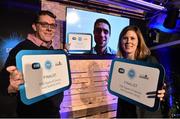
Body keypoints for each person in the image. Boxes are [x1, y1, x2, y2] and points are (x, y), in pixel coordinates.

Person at [0, 10, 64, 118]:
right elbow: (4, 83)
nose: (49, 29)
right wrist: (11, 87)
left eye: (52, 25)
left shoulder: (51, 49)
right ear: (35, 27)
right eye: (44, 25)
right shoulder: (21, 50)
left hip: (53, 113)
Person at [116, 25, 166, 118]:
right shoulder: (118, 66)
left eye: (132, 38)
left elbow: (164, 85)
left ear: (138, 41)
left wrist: (163, 92)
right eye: (125, 38)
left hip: (148, 115)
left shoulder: (150, 61)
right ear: (120, 41)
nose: (128, 41)